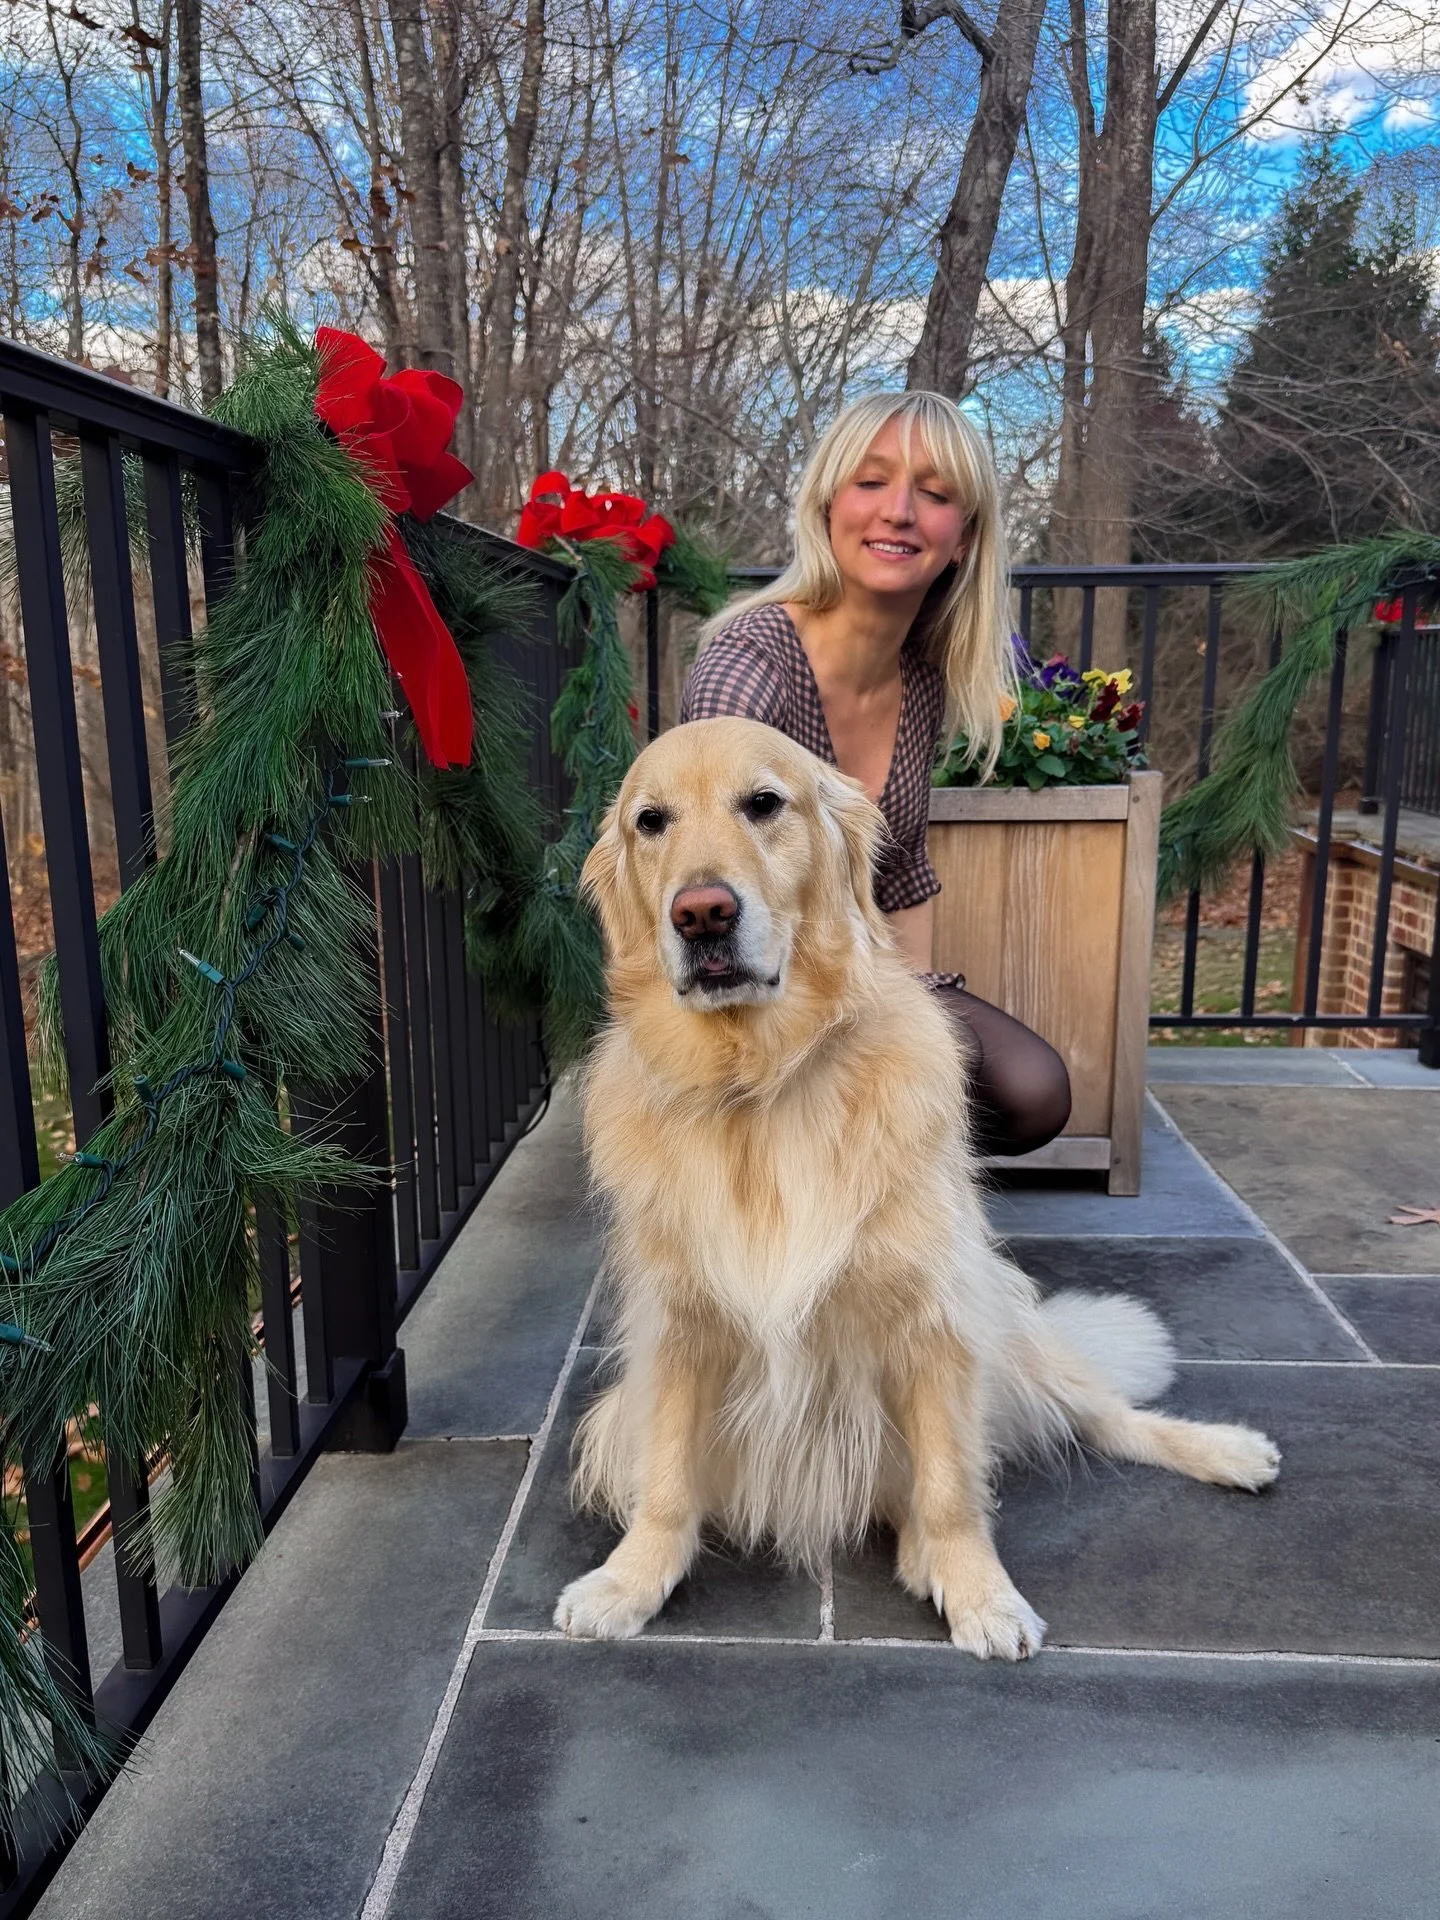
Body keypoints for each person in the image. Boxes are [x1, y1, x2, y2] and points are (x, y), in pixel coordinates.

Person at [679, 389, 1071, 1158]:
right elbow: (714, 884)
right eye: (871, 482)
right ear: (829, 506)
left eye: (935, 494)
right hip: (746, 985)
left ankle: (892, 1186)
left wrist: (912, 1023)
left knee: (1032, 1091)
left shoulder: (921, 675)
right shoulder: (748, 671)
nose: (899, 512)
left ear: (963, 538)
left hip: (860, 978)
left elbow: (903, 873)